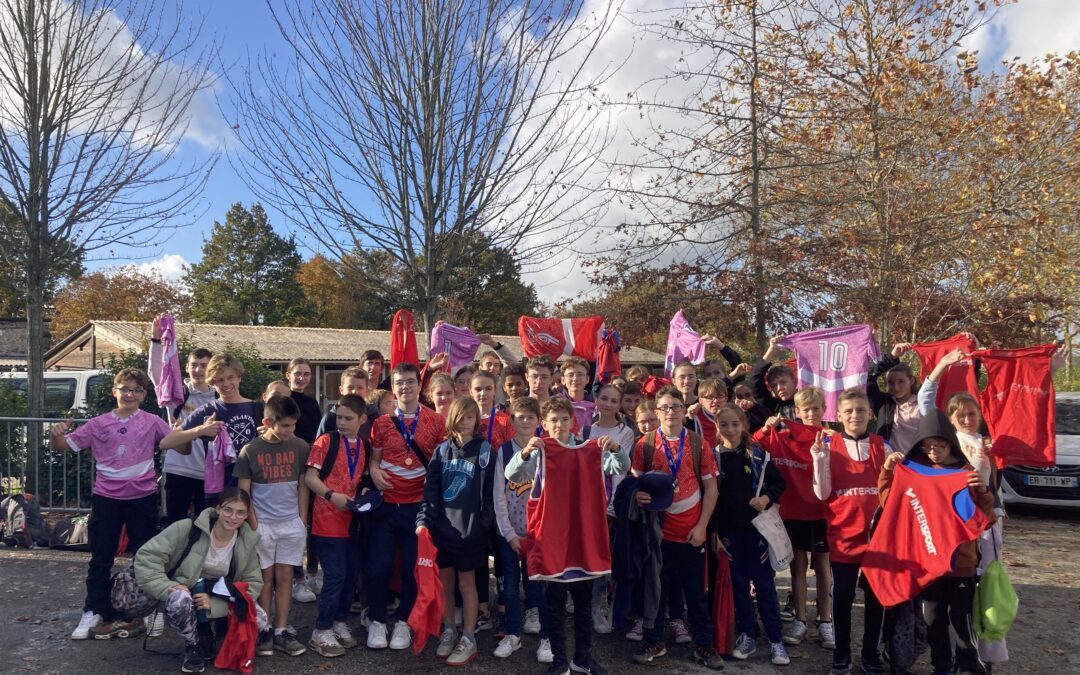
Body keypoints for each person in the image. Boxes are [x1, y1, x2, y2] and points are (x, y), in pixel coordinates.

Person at [52, 368, 181, 641]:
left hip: (143, 499)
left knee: (146, 558)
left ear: (144, 395)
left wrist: (192, 431)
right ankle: (94, 610)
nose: (130, 394)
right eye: (125, 388)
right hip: (107, 499)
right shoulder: (99, 423)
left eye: (136, 390)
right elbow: (63, 445)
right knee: (101, 558)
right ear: (115, 391)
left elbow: (178, 444)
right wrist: (57, 433)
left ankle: (148, 610)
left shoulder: (152, 421)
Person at [505, 397, 627, 675]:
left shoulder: (592, 449)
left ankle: (582, 658)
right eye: (553, 420)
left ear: (573, 421)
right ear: (544, 425)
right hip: (552, 540)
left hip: (582, 536)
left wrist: (616, 449)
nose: (559, 425)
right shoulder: (539, 450)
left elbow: (620, 467)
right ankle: (560, 659)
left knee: (583, 603)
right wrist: (525, 452)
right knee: (555, 604)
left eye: (564, 419)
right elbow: (512, 475)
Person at [878, 410, 995, 675]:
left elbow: (984, 520)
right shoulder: (915, 472)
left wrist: (983, 492)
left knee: (962, 621)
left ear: (950, 443)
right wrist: (887, 472)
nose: (933, 452)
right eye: (927, 446)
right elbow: (890, 503)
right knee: (933, 620)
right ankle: (941, 667)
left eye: (939, 446)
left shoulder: (965, 473)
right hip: (928, 564)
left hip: (960, 564)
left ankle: (969, 669)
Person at [629, 386, 724, 670]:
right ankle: (654, 641)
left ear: (685, 410)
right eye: (665, 407)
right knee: (656, 589)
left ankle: (704, 645)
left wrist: (702, 527)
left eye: (676, 407)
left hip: (691, 532)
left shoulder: (698, 443)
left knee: (695, 592)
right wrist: (637, 494)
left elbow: (711, 488)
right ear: (656, 412)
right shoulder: (644, 444)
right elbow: (635, 484)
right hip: (658, 532)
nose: (670, 412)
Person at [134, 488, 264, 674]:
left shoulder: (246, 540)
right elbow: (146, 557)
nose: (233, 517)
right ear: (218, 509)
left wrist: (215, 604)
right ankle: (192, 645)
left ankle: (211, 633)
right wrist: (168, 587)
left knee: (259, 618)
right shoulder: (187, 528)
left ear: (246, 515)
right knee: (180, 600)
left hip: (219, 594)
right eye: (228, 510)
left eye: (240, 512)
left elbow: (254, 583)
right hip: (185, 590)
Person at [366, 363, 446, 650]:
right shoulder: (381, 423)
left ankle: (403, 622)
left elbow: (441, 465)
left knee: (414, 567)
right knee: (379, 566)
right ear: (393, 387)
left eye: (410, 382)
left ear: (419, 386)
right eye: (399, 383)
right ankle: (376, 620)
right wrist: (374, 472)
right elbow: (374, 460)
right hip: (387, 504)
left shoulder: (437, 421)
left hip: (419, 506)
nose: (405, 388)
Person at [811, 388, 888, 675]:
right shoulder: (828, 447)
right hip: (843, 537)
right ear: (839, 415)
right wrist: (818, 459)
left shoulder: (884, 447)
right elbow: (822, 494)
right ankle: (841, 654)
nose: (855, 415)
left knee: (876, 598)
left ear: (870, 414)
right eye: (849, 411)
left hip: (878, 540)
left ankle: (870, 655)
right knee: (842, 597)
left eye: (860, 410)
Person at [418, 397, 497, 666]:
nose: (465, 422)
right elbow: (430, 492)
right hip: (444, 532)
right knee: (447, 584)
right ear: (452, 418)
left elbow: (491, 497)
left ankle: (469, 637)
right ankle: (449, 629)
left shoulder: (486, 451)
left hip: (470, 534)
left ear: (477, 420)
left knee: (468, 584)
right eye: (461, 417)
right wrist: (424, 521)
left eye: (470, 417)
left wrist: (481, 526)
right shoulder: (441, 452)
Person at [755, 386, 835, 650]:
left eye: (816, 408)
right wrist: (766, 429)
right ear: (796, 412)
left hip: (823, 513)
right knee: (797, 566)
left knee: (823, 567)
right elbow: (753, 445)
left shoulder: (832, 439)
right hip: (792, 512)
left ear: (824, 410)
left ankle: (825, 620)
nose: (811, 414)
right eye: (806, 409)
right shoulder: (782, 436)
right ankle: (800, 618)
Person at [712, 404, 790, 666]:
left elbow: (779, 483)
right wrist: (715, 533)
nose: (730, 430)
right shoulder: (713, 457)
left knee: (765, 586)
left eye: (735, 424)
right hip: (729, 534)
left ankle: (776, 640)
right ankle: (747, 634)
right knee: (739, 586)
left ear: (744, 425)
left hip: (757, 531)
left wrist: (766, 498)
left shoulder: (758, 454)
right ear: (716, 427)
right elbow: (709, 498)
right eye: (724, 425)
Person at [233, 394, 310, 658]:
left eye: (294, 425)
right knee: (265, 579)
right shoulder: (250, 451)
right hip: (262, 525)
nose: (291, 431)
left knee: (286, 576)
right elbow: (245, 493)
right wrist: (253, 525)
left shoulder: (300, 446)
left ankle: (281, 629)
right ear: (268, 421)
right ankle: (264, 628)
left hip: (290, 524)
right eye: (286, 426)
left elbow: (302, 485)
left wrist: (301, 521)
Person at [305, 394, 371, 657]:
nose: (342, 423)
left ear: (362, 419)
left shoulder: (364, 445)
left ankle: (339, 622)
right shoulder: (326, 441)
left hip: (351, 521)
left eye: (348, 418)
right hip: (327, 520)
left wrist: (364, 492)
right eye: (339, 417)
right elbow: (310, 477)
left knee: (350, 575)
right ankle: (320, 630)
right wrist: (332, 496)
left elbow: (360, 479)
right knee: (334, 577)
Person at [161, 354, 265, 506]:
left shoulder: (258, 408)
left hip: (256, 487)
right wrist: (200, 430)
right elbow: (165, 442)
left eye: (231, 377)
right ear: (213, 382)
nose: (226, 383)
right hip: (220, 491)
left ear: (239, 378)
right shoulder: (207, 411)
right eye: (219, 380)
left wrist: (270, 435)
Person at [493, 397, 552, 663]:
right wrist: (509, 534)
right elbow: (498, 496)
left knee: (539, 587)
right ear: (511, 420)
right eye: (519, 417)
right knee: (509, 586)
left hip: (538, 533)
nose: (525, 421)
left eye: (530, 417)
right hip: (511, 533)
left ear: (539, 421)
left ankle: (546, 639)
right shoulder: (504, 451)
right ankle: (512, 634)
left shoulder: (547, 449)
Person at [150, 318, 217, 525]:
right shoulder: (177, 394)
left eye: (204, 366)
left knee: (204, 526)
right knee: (175, 525)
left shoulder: (219, 399)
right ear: (186, 367)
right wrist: (156, 340)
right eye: (194, 365)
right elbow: (156, 373)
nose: (198, 370)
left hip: (208, 473)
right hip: (178, 469)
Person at [582, 383, 635, 634]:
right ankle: (583, 600)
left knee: (605, 556)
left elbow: (619, 468)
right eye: (604, 398)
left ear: (620, 404)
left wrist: (611, 506)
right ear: (596, 399)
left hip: (611, 503)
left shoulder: (625, 432)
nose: (608, 404)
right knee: (586, 554)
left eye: (614, 401)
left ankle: (599, 604)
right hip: (587, 502)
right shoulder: (585, 430)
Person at [867, 343, 922, 452]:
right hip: (891, 464)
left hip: (919, 465)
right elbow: (866, 378)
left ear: (911, 381)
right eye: (891, 383)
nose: (896, 387)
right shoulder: (883, 404)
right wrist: (891, 357)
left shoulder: (924, 402)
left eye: (901, 382)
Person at [750, 336, 798, 420]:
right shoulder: (773, 406)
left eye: (783, 382)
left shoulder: (808, 401)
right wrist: (771, 350)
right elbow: (755, 379)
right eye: (774, 385)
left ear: (794, 381)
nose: (779, 388)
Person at [315, 365, 370, 436]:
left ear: (367, 391)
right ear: (341, 390)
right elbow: (319, 445)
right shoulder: (330, 418)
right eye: (350, 387)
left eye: (360, 388)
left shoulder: (373, 416)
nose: (354, 392)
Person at [286, 358, 321, 444]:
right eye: (297, 374)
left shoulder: (313, 403)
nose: (302, 378)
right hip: (289, 450)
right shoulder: (283, 400)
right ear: (288, 376)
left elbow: (318, 431)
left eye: (306, 374)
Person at [560, 355, 596, 429]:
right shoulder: (554, 404)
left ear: (587, 379)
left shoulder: (595, 407)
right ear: (563, 380)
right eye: (570, 375)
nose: (575, 379)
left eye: (580, 374)